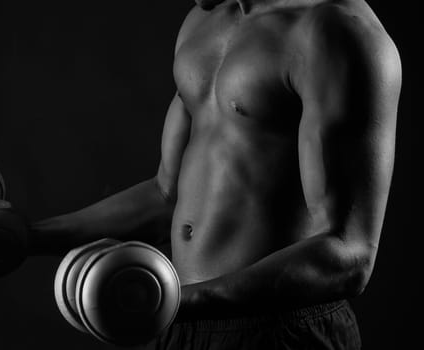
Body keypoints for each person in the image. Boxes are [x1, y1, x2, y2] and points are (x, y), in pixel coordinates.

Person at [31, 0, 402, 348]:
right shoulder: (204, 21)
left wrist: (171, 298)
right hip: (179, 322)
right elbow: (166, 195)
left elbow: (349, 256)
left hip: (281, 333)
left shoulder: (336, 33)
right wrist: (30, 237)